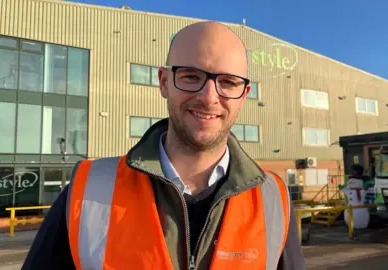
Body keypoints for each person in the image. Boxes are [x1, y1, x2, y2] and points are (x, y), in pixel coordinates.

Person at [22, 21, 306, 270]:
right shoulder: (87, 190)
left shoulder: (273, 199)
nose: (209, 97)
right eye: (191, 76)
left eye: (228, 82)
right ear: (164, 82)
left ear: (244, 95)